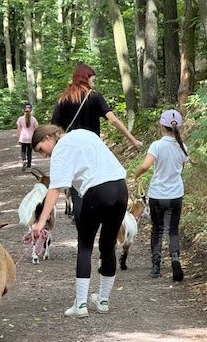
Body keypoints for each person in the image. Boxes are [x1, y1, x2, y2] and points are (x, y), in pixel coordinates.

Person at [31, 125, 128, 317]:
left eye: (41, 149)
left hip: (97, 191)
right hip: (120, 188)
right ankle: (103, 300)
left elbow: (55, 189)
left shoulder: (60, 149)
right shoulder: (84, 133)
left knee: (85, 245)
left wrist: (41, 222)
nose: (44, 155)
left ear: (48, 137)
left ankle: (81, 304)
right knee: (108, 245)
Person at [51, 63, 142, 227]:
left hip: (71, 151)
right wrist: (132, 139)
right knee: (93, 184)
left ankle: (82, 229)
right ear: (86, 78)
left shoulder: (63, 99)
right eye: (92, 79)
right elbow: (113, 120)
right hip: (92, 150)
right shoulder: (95, 97)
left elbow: (54, 128)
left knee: (76, 191)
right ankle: (95, 221)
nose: (93, 82)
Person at [134, 109, 188, 281]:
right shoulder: (183, 147)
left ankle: (156, 266)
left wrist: (136, 175)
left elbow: (145, 166)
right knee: (173, 230)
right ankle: (175, 257)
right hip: (176, 194)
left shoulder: (156, 145)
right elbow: (181, 169)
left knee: (157, 229)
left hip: (158, 194)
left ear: (162, 126)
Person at [16, 102, 38, 171]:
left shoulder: (20, 119)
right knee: (29, 152)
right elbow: (36, 129)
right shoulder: (33, 119)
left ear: (24, 109)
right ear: (31, 110)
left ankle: (24, 160)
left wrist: (19, 138)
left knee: (23, 150)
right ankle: (29, 167)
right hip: (30, 138)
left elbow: (19, 129)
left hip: (23, 137)